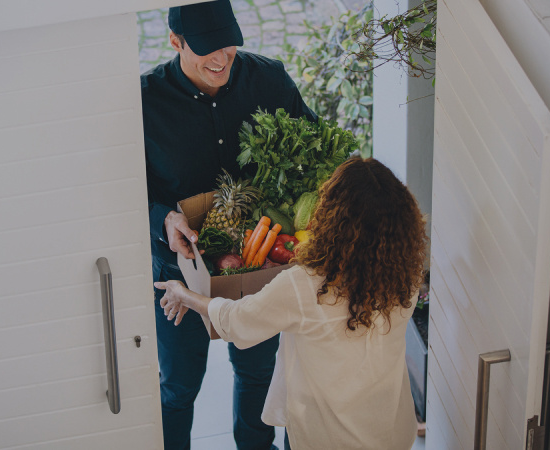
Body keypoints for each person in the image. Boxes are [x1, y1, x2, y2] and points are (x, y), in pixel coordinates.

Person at [156, 157, 428, 450]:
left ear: (332, 218)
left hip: (328, 438)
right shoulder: (406, 274)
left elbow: (236, 322)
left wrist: (182, 293)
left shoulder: (306, 284)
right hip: (391, 431)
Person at [141, 1, 317, 449]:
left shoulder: (269, 79)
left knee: (258, 370)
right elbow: (124, 190)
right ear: (175, 41)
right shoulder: (144, 101)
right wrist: (163, 218)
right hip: (177, 268)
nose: (220, 59)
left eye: (229, 47)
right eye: (206, 50)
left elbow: (315, 155)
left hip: (259, 262)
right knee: (179, 386)